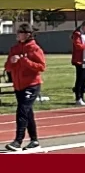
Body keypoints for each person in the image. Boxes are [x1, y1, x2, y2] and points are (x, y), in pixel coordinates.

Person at [4, 23, 46, 152]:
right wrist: (12, 62)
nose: (17, 34)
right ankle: (34, 140)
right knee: (28, 113)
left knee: (22, 111)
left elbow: (41, 66)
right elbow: (7, 67)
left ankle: (18, 141)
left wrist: (24, 61)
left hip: (31, 85)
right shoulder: (14, 48)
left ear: (28, 34)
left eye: (20, 32)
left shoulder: (34, 49)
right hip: (19, 85)